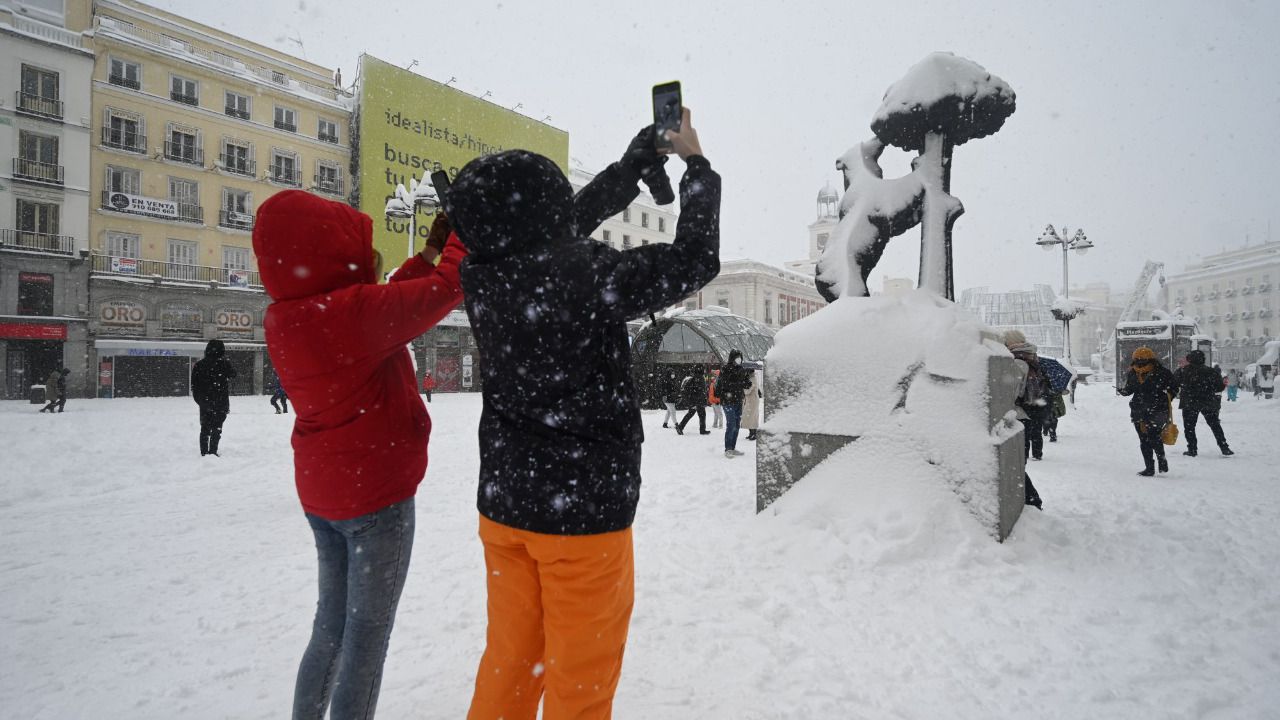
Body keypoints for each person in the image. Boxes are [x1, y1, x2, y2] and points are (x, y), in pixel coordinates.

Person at [447, 108, 718, 719]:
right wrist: (697, 167)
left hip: (506, 507)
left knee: (510, 664)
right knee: (581, 686)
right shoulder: (586, 274)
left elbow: (554, 227)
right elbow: (694, 262)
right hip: (583, 516)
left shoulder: (482, 272)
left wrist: (628, 171)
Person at [252, 189, 466, 719]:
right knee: (367, 643)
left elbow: (388, 300)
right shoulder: (350, 316)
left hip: (325, 495)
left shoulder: (291, 315)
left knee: (330, 628)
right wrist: (467, 235)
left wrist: (427, 255)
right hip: (375, 498)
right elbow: (445, 290)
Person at [1117, 347, 1179, 476]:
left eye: (1142, 360)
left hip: (1157, 410)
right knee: (1144, 439)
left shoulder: (1162, 372)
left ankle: (1161, 461)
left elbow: (1174, 388)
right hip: (1139, 410)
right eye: (1137, 360)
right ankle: (1149, 467)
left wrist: (1164, 398)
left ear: (1150, 360)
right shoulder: (1133, 373)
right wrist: (1123, 391)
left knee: (1153, 436)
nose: (1139, 362)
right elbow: (1130, 389)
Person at [1174, 350, 1233, 457]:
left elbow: (1174, 383)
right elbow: (1219, 387)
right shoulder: (1211, 371)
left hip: (1190, 403)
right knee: (1215, 425)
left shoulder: (1183, 371)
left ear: (1189, 359)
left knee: (1189, 427)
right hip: (1208, 401)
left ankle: (1192, 449)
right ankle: (1224, 447)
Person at [1005, 337, 1050, 461]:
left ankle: (1023, 460)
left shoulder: (1018, 363)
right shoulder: (1033, 362)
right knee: (1034, 432)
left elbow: (1016, 389)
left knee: (1023, 437)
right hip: (1035, 403)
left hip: (1022, 406)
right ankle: (1036, 454)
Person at [191, 340, 237, 456]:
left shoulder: (199, 365)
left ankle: (204, 452)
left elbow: (194, 385)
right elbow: (233, 374)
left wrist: (200, 401)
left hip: (205, 402)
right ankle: (213, 451)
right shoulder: (224, 364)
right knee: (217, 428)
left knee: (204, 428)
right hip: (220, 402)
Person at [716, 349, 753, 458]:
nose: (739, 359)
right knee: (731, 424)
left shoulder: (742, 369)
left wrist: (746, 383)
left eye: (740, 357)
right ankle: (728, 449)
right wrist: (741, 383)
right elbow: (726, 384)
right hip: (727, 401)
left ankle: (732, 447)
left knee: (736, 425)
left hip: (738, 400)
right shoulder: (725, 369)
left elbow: (746, 384)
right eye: (737, 357)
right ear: (732, 358)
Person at [676, 370, 710, 436]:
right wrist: (700, 402)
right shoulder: (700, 378)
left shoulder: (693, 379)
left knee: (690, 414)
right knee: (702, 415)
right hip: (698, 401)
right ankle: (702, 430)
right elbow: (700, 392)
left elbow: (694, 391)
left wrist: (692, 402)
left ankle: (680, 426)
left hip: (694, 401)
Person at [741, 364, 763, 441]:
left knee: (752, 417)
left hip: (752, 401)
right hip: (750, 401)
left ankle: (754, 434)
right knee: (749, 417)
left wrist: (743, 387)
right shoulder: (751, 379)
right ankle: (751, 433)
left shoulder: (752, 379)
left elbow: (747, 391)